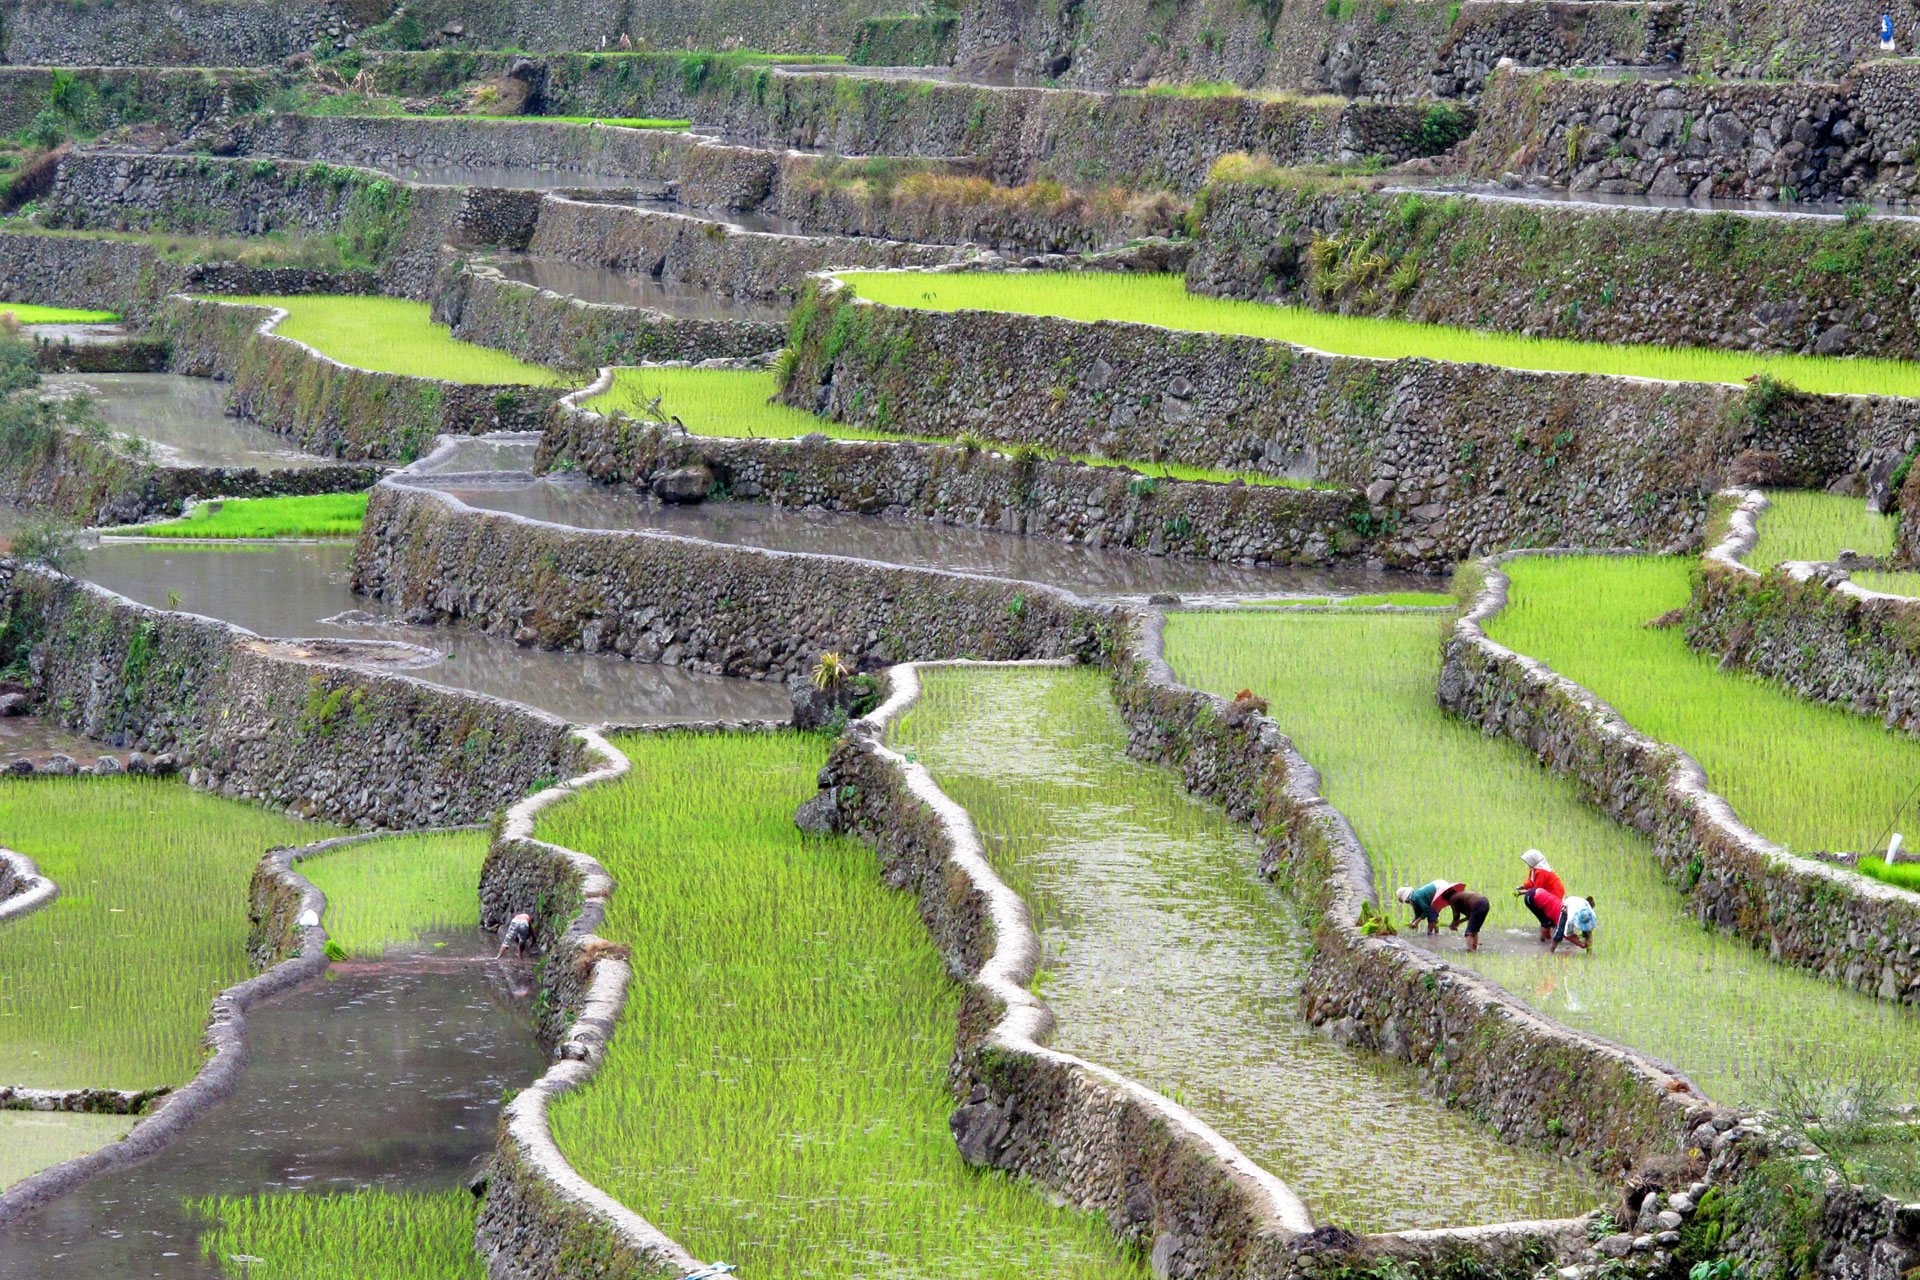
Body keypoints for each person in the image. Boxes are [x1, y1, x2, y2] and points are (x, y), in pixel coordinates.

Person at [1514, 849, 1566, 941]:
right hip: (1546, 892)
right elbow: (1531, 881)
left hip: (1554, 893)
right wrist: (1522, 886)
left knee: (1549, 914)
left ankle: (1551, 935)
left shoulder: (1541, 871)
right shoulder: (1534, 869)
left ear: (1533, 860)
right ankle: (1549, 934)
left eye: (1528, 861)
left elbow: (1537, 889)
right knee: (1547, 916)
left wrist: (1523, 893)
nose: (1527, 863)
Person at [1395, 879, 1467, 934]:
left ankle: (1430, 936)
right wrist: (1414, 921)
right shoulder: (1413, 899)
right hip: (1438, 885)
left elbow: (1426, 910)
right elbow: (1418, 912)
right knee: (1433, 915)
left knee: (1431, 915)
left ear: (1405, 898)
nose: (1406, 903)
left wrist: (1417, 922)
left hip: (1440, 889)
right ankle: (1436, 935)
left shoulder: (1415, 897)